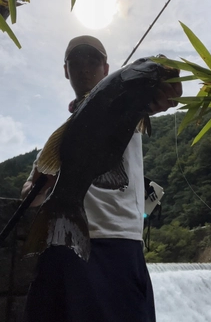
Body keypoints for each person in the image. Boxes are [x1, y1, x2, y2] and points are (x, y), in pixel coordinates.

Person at [21, 35, 182, 322]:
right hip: (63, 248)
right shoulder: (61, 137)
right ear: (66, 70)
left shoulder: (127, 104)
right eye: (76, 62)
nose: (84, 69)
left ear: (107, 69)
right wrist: (36, 185)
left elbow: (153, 102)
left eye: (93, 61)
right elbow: (32, 198)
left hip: (119, 248)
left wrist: (159, 96)